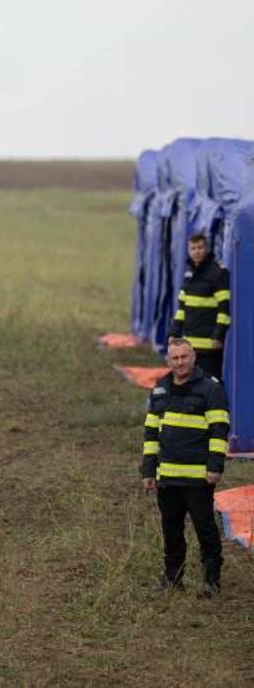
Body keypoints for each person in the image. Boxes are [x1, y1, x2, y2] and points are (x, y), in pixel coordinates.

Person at [140, 338, 229, 597]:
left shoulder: (211, 390)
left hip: (198, 477)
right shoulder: (160, 390)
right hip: (166, 477)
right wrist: (148, 471)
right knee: (171, 529)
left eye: (184, 357)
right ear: (168, 361)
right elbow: (151, 434)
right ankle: (172, 578)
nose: (180, 362)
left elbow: (219, 430)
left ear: (193, 358)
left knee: (205, 529)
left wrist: (215, 467)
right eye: (175, 358)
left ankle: (212, 581)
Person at [168, 234, 230, 379]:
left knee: (210, 383)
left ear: (207, 249)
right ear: (188, 250)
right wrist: (173, 333)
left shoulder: (218, 273)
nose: (197, 251)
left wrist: (218, 336)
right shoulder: (188, 274)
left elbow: (224, 307)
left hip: (210, 346)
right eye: (193, 248)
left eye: (200, 247)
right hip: (190, 346)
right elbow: (182, 309)